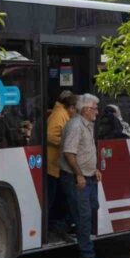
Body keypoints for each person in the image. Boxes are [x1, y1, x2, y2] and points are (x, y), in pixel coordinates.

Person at [59, 94, 104, 258]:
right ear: (85, 110)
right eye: (95, 108)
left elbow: (86, 151)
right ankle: (87, 256)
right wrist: (79, 175)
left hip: (88, 176)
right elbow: (69, 153)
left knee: (92, 207)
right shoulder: (76, 125)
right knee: (84, 216)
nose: (97, 112)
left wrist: (94, 169)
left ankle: (66, 225)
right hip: (76, 178)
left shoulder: (87, 125)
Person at [46, 91, 76, 241]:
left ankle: (56, 226)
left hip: (57, 165)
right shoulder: (59, 114)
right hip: (53, 165)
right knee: (52, 198)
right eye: (74, 109)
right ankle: (52, 226)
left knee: (57, 198)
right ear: (69, 106)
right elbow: (50, 135)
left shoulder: (62, 113)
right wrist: (66, 144)